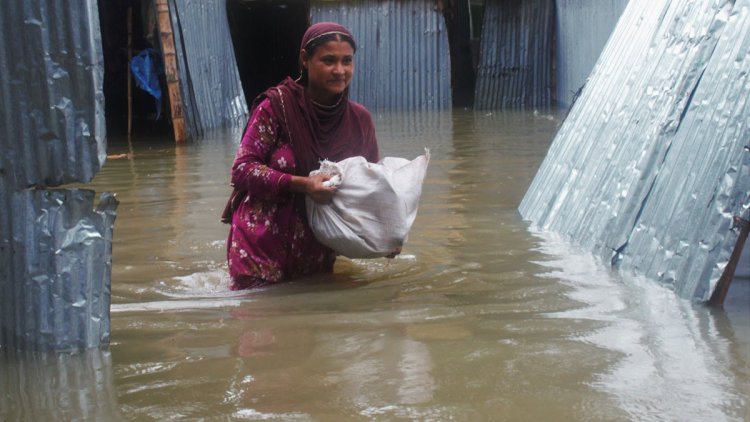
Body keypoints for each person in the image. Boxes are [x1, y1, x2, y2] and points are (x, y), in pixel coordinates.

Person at [224, 22, 379, 290]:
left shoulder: (359, 120)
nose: (339, 70)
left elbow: (371, 186)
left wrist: (384, 235)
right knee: (258, 326)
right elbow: (243, 169)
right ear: (305, 60)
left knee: (310, 328)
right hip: (259, 245)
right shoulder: (275, 107)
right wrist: (303, 184)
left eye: (347, 61)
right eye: (329, 60)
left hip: (317, 249)